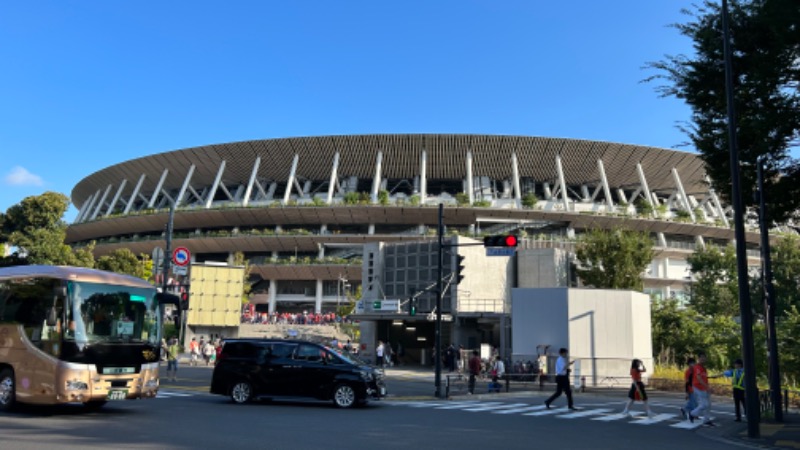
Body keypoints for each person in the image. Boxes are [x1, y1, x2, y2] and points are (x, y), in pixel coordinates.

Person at [689, 351, 715, 426]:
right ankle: (692, 414)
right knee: (704, 405)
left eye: (704, 357)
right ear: (699, 358)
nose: (703, 359)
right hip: (698, 387)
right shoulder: (697, 367)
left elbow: (704, 378)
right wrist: (707, 387)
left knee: (709, 405)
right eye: (701, 357)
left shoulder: (704, 368)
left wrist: (708, 387)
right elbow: (699, 378)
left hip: (704, 388)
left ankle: (706, 420)